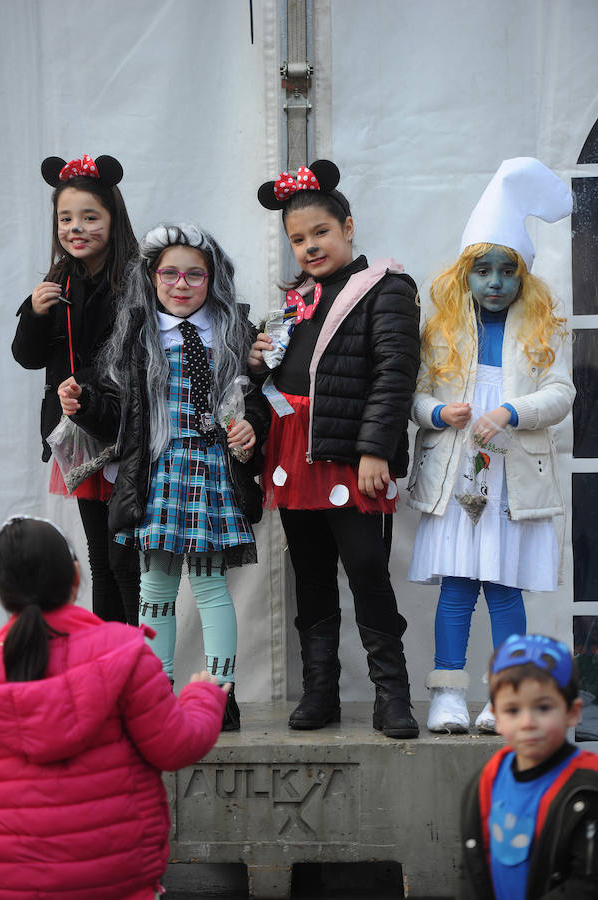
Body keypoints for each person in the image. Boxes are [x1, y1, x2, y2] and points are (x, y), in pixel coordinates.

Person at [58, 223, 269, 731]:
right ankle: (159, 693)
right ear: (152, 277)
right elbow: (119, 417)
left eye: (195, 274)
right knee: (156, 589)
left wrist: (250, 427)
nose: (181, 284)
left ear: (212, 278)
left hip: (213, 473)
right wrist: (85, 405)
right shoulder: (137, 335)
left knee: (212, 587)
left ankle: (221, 694)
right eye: (170, 273)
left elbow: (258, 400)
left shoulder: (234, 331)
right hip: (161, 475)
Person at [250, 160, 420, 738]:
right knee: (311, 571)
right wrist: (259, 364)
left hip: (351, 451)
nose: (309, 246)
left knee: (368, 566)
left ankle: (392, 695)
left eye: (320, 232)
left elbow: (396, 371)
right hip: (294, 446)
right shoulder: (297, 299)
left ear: (347, 227)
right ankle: (321, 691)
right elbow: (284, 375)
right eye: (297, 238)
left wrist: (375, 450)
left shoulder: (386, 288)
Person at [407, 158, 576, 734]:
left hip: (512, 482)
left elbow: (560, 394)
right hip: (458, 477)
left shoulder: (543, 332)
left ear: (523, 276)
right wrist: (436, 411)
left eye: (508, 270)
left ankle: (507, 696)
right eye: (484, 270)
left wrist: (511, 410)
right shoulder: (443, 333)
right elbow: (416, 394)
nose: (496, 282)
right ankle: (447, 695)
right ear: (465, 275)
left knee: (504, 590)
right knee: (457, 589)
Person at [0, 515, 227, 900]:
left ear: (5, 595)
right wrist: (203, 696)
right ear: (75, 578)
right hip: (121, 877)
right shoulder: (124, 651)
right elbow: (175, 746)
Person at [11, 153, 140, 625]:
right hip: (76, 433)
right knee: (101, 559)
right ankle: (110, 668)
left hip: (125, 430)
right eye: (66, 218)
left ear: (113, 218)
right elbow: (26, 358)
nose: (76, 228)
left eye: (90, 217)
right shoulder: (57, 279)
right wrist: (33, 310)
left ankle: (140, 668)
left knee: (128, 557)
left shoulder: (135, 279)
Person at [460, 633, 598, 898]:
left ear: (573, 712)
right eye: (512, 710)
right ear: (495, 717)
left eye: (543, 708)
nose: (527, 723)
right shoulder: (486, 781)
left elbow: (587, 885)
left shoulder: (588, 788)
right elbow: (471, 869)